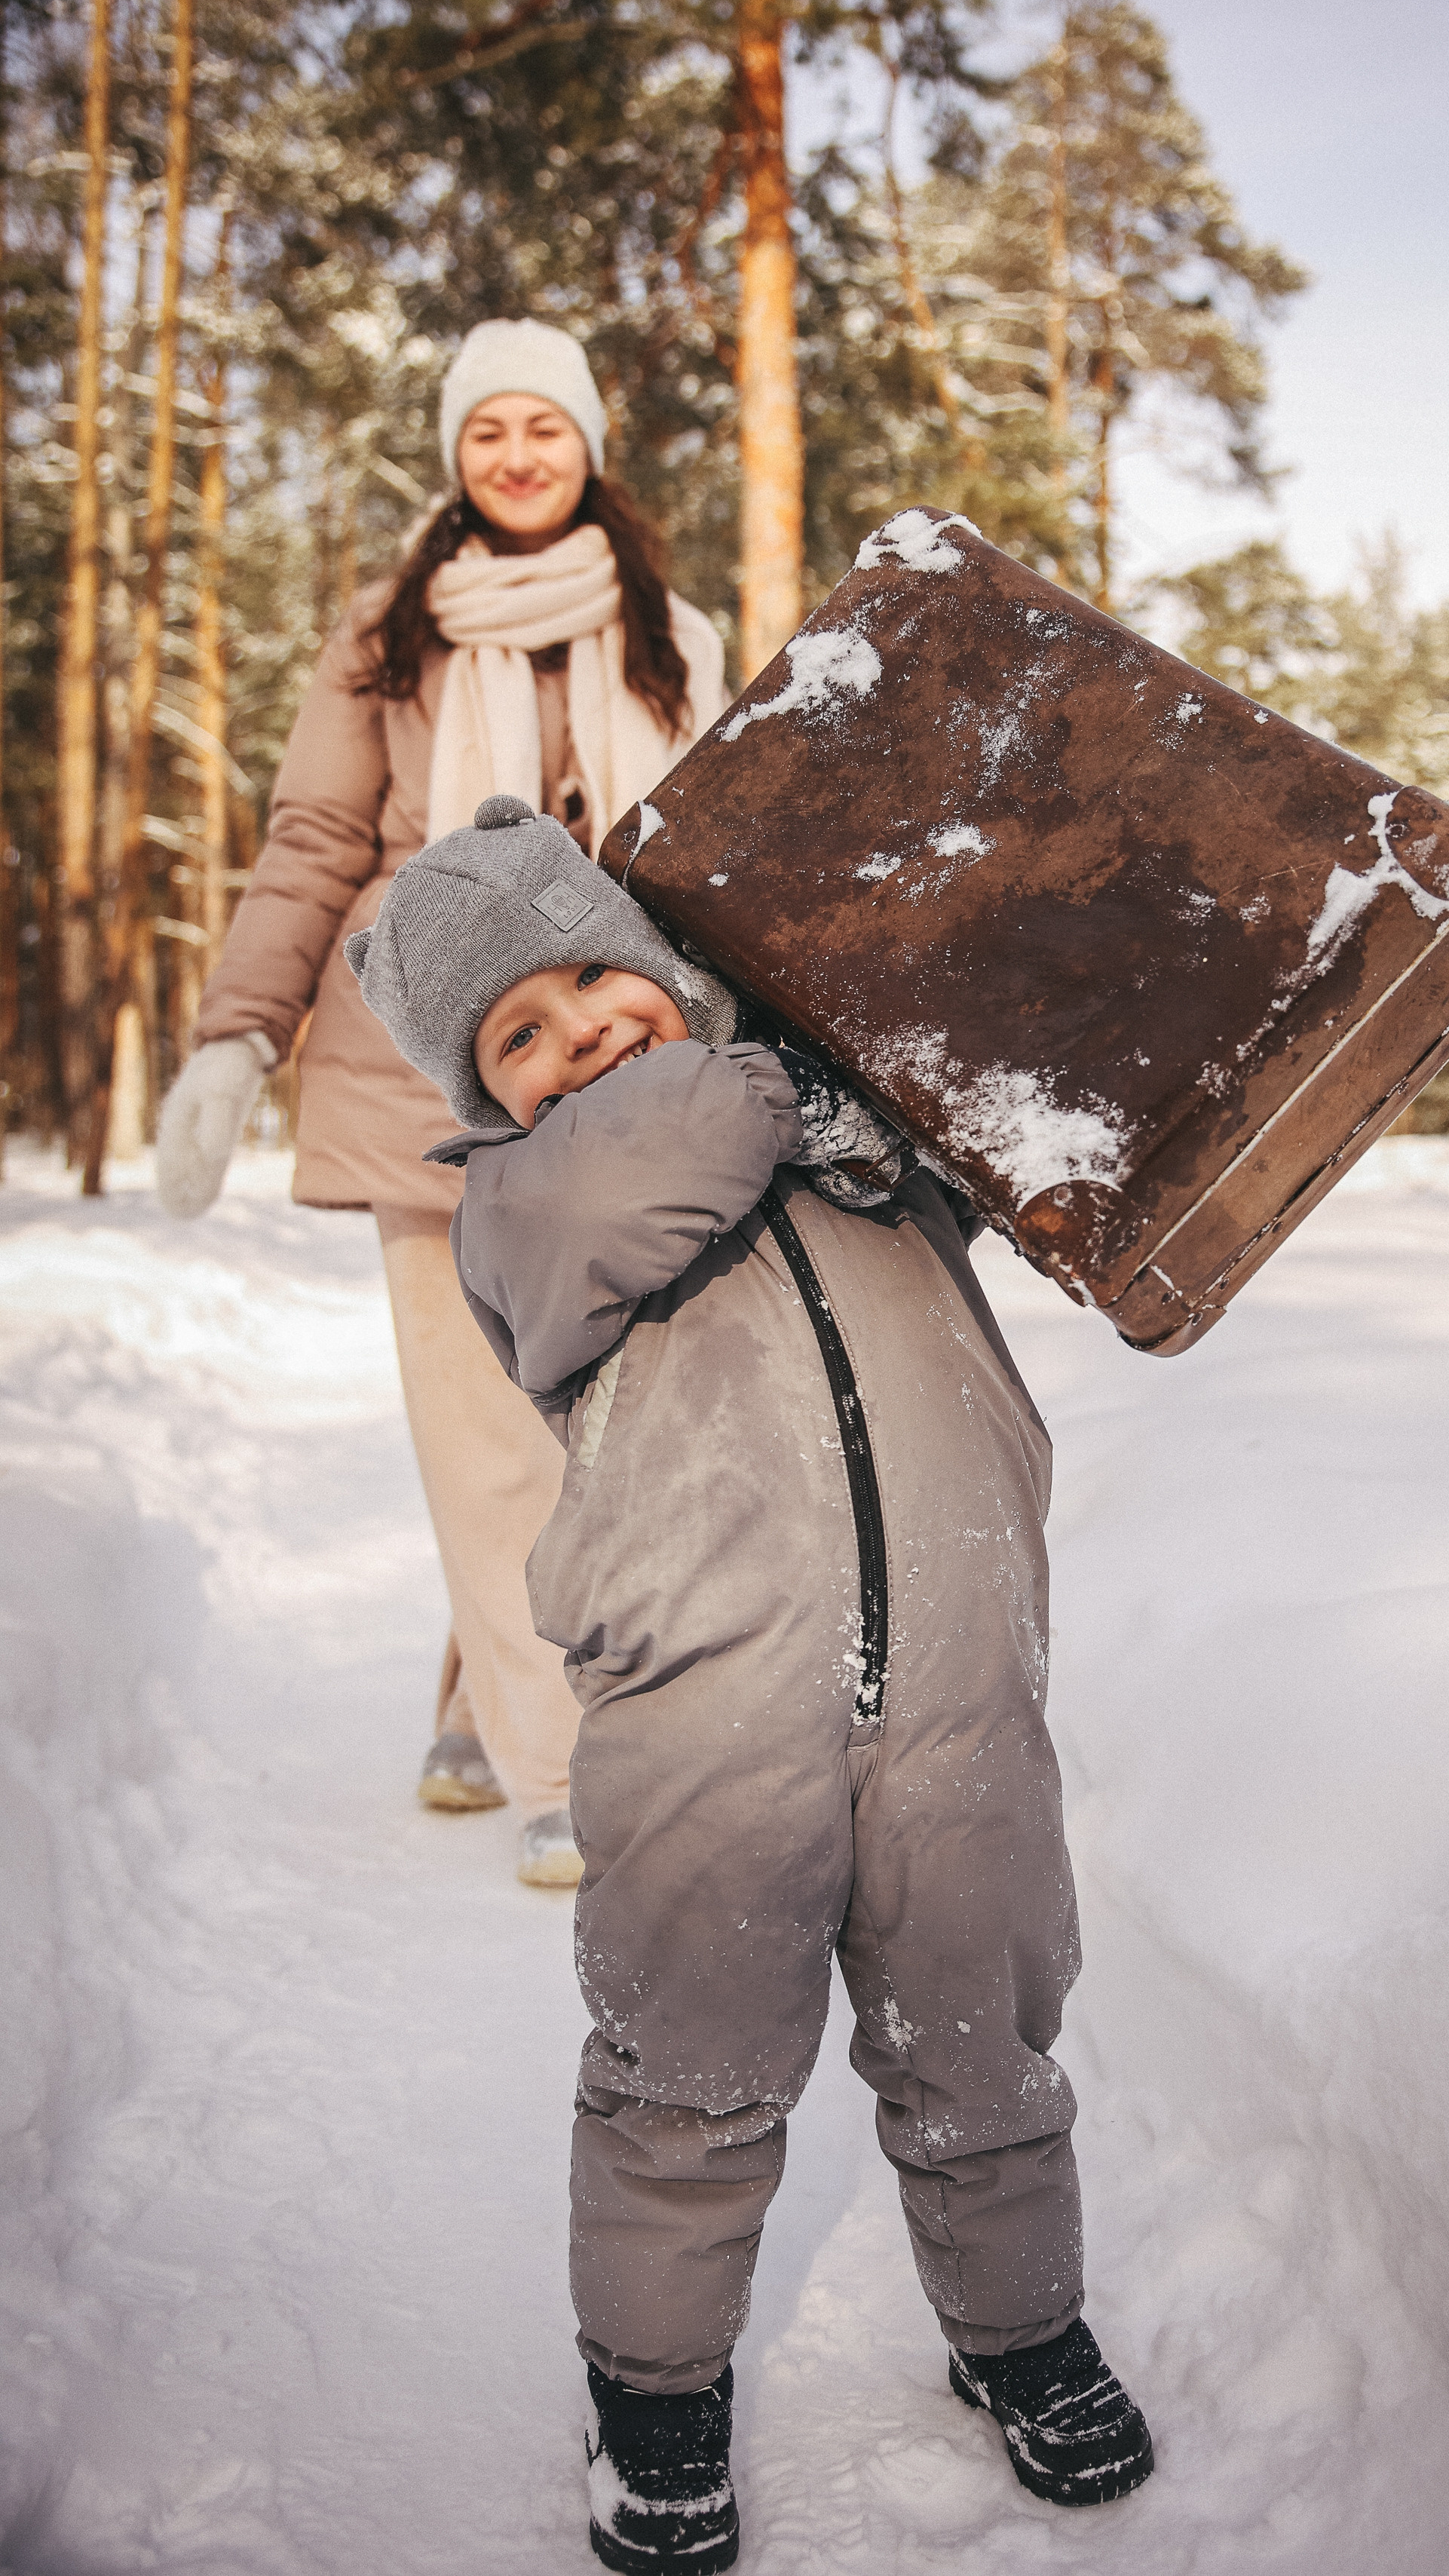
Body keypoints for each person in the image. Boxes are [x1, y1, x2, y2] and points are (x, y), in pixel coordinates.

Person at [345, 796, 1156, 2574]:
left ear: (659, 961)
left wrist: (887, 1088)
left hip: (958, 1672)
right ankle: (652, 2392)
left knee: (984, 2029)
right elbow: (636, 1167)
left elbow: (1037, 1108)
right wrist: (793, 1077)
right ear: (483, 1095)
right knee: (689, 2065)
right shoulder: (523, 1202)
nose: (579, 1040)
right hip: (706, 1711)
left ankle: (1019, 2329)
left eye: (594, 982)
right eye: (520, 1037)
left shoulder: (854, 1129)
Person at [155, 320, 728, 1886]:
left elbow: (718, 855)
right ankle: (563, 1764)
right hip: (422, 1072)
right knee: (488, 1434)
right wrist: (237, 1034)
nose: (518, 456)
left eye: (545, 427)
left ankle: (481, 1692)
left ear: (588, 446)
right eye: (489, 431)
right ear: (456, 454)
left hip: (623, 1063)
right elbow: (313, 839)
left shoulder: (673, 632)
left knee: (604, 1423)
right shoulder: (389, 634)